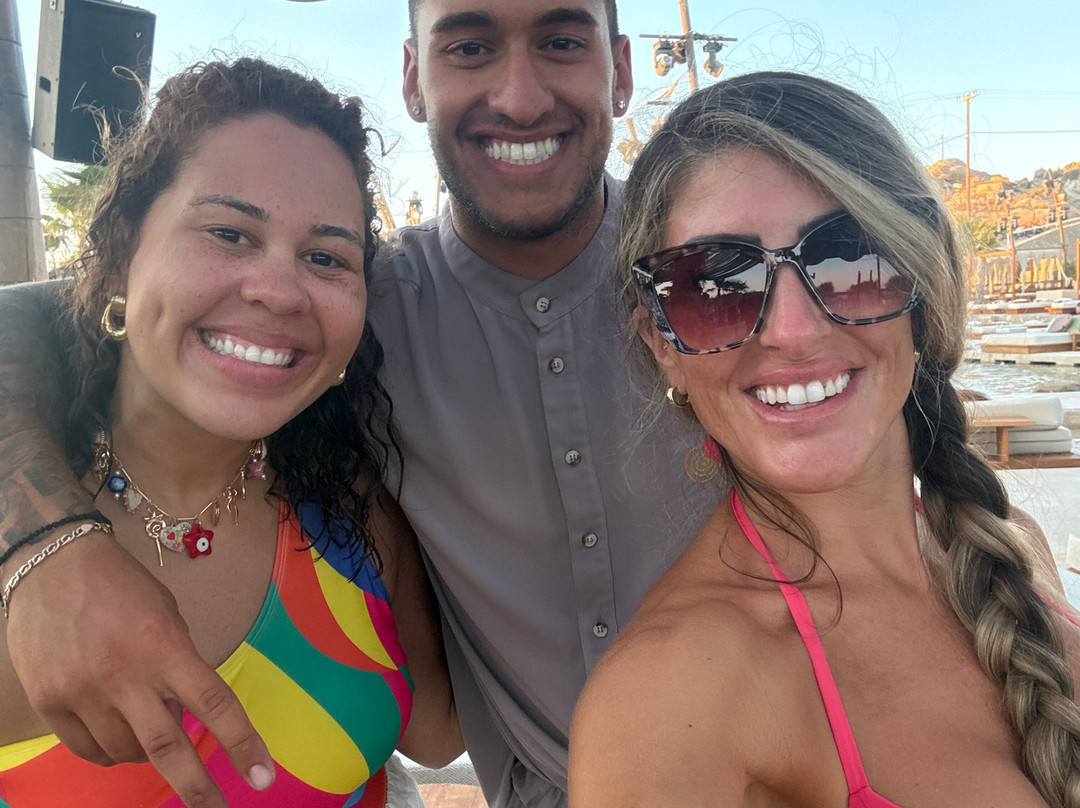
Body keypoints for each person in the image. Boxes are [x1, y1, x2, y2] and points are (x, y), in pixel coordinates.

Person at [0, 2, 713, 807]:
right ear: (414, 77)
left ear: (621, 70)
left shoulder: (732, 281)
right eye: (469, 45)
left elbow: (432, 730)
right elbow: (33, 311)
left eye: (560, 41)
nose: (278, 291)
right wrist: (41, 541)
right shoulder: (382, 304)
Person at [568, 72, 1080, 808]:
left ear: (925, 281)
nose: (794, 330)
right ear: (662, 344)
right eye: (714, 287)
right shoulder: (664, 703)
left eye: (849, 259)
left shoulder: (1010, 545)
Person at [0, 58, 461, 808]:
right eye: (229, 233)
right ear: (121, 255)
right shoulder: (16, 532)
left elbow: (440, 734)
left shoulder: (352, 511)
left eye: (325, 257)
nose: (278, 291)